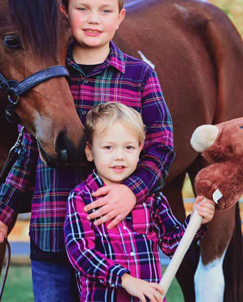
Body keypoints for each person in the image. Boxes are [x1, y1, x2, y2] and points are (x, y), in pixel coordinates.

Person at [0, 0, 175, 301]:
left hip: (118, 244)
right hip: (53, 239)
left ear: (120, 17)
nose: (94, 19)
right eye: (83, 9)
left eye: (105, 10)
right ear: (65, 14)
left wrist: (131, 192)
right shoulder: (47, 77)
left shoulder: (139, 76)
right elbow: (28, 151)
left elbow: (162, 146)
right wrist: (1, 213)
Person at [65, 102, 215, 302]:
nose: (119, 156)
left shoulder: (151, 198)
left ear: (140, 150)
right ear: (90, 151)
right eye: (108, 147)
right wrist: (125, 279)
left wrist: (198, 220)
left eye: (129, 147)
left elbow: (173, 244)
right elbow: (80, 253)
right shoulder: (81, 197)